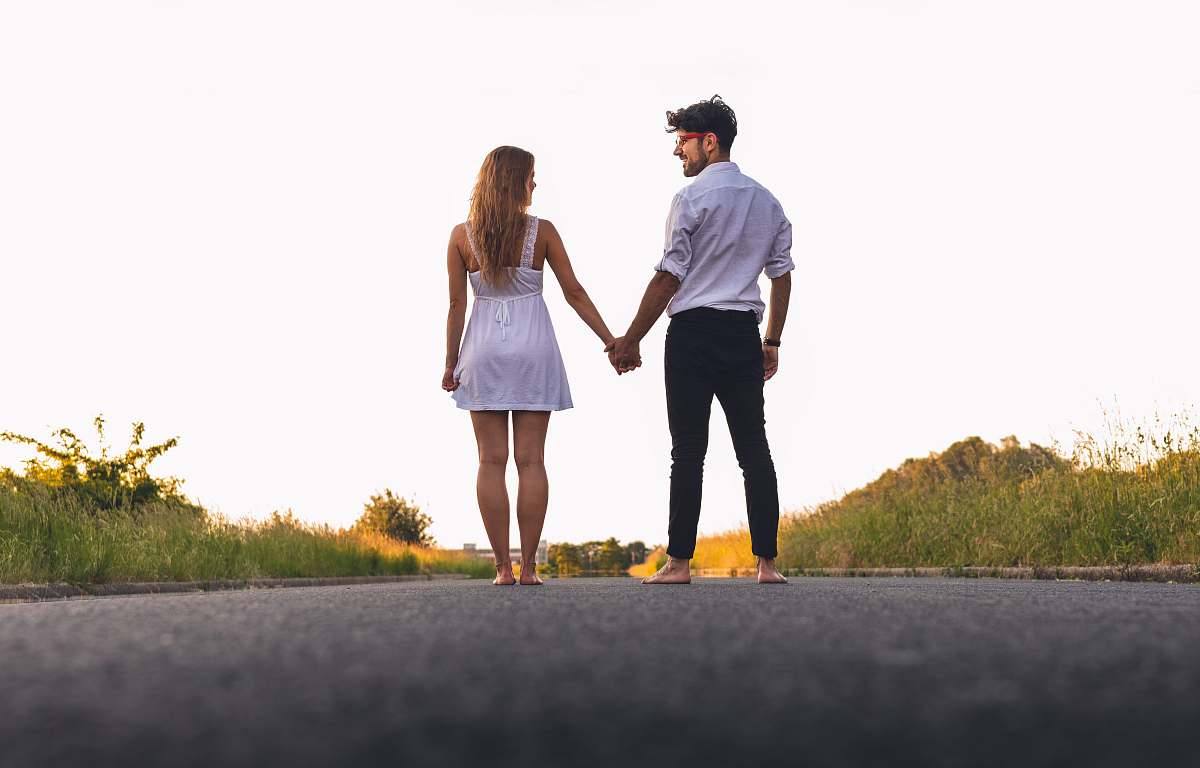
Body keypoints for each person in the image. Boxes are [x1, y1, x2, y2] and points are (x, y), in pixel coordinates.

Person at [607, 95, 793, 585]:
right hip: (742, 334)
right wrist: (771, 340)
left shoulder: (689, 200)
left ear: (709, 142)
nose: (677, 152)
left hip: (692, 333)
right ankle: (767, 564)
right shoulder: (766, 202)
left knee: (688, 450)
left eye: (682, 142)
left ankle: (680, 563)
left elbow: (670, 275)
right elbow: (782, 275)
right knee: (754, 446)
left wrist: (630, 340)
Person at [444, 146, 615, 586]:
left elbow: (456, 305)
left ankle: (503, 567)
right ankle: (531, 569)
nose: (535, 184)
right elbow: (574, 292)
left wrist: (450, 363)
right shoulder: (543, 232)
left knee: (489, 461)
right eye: (531, 176)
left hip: (482, 348)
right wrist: (611, 340)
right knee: (531, 461)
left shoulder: (462, 236)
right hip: (534, 347)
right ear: (515, 180)